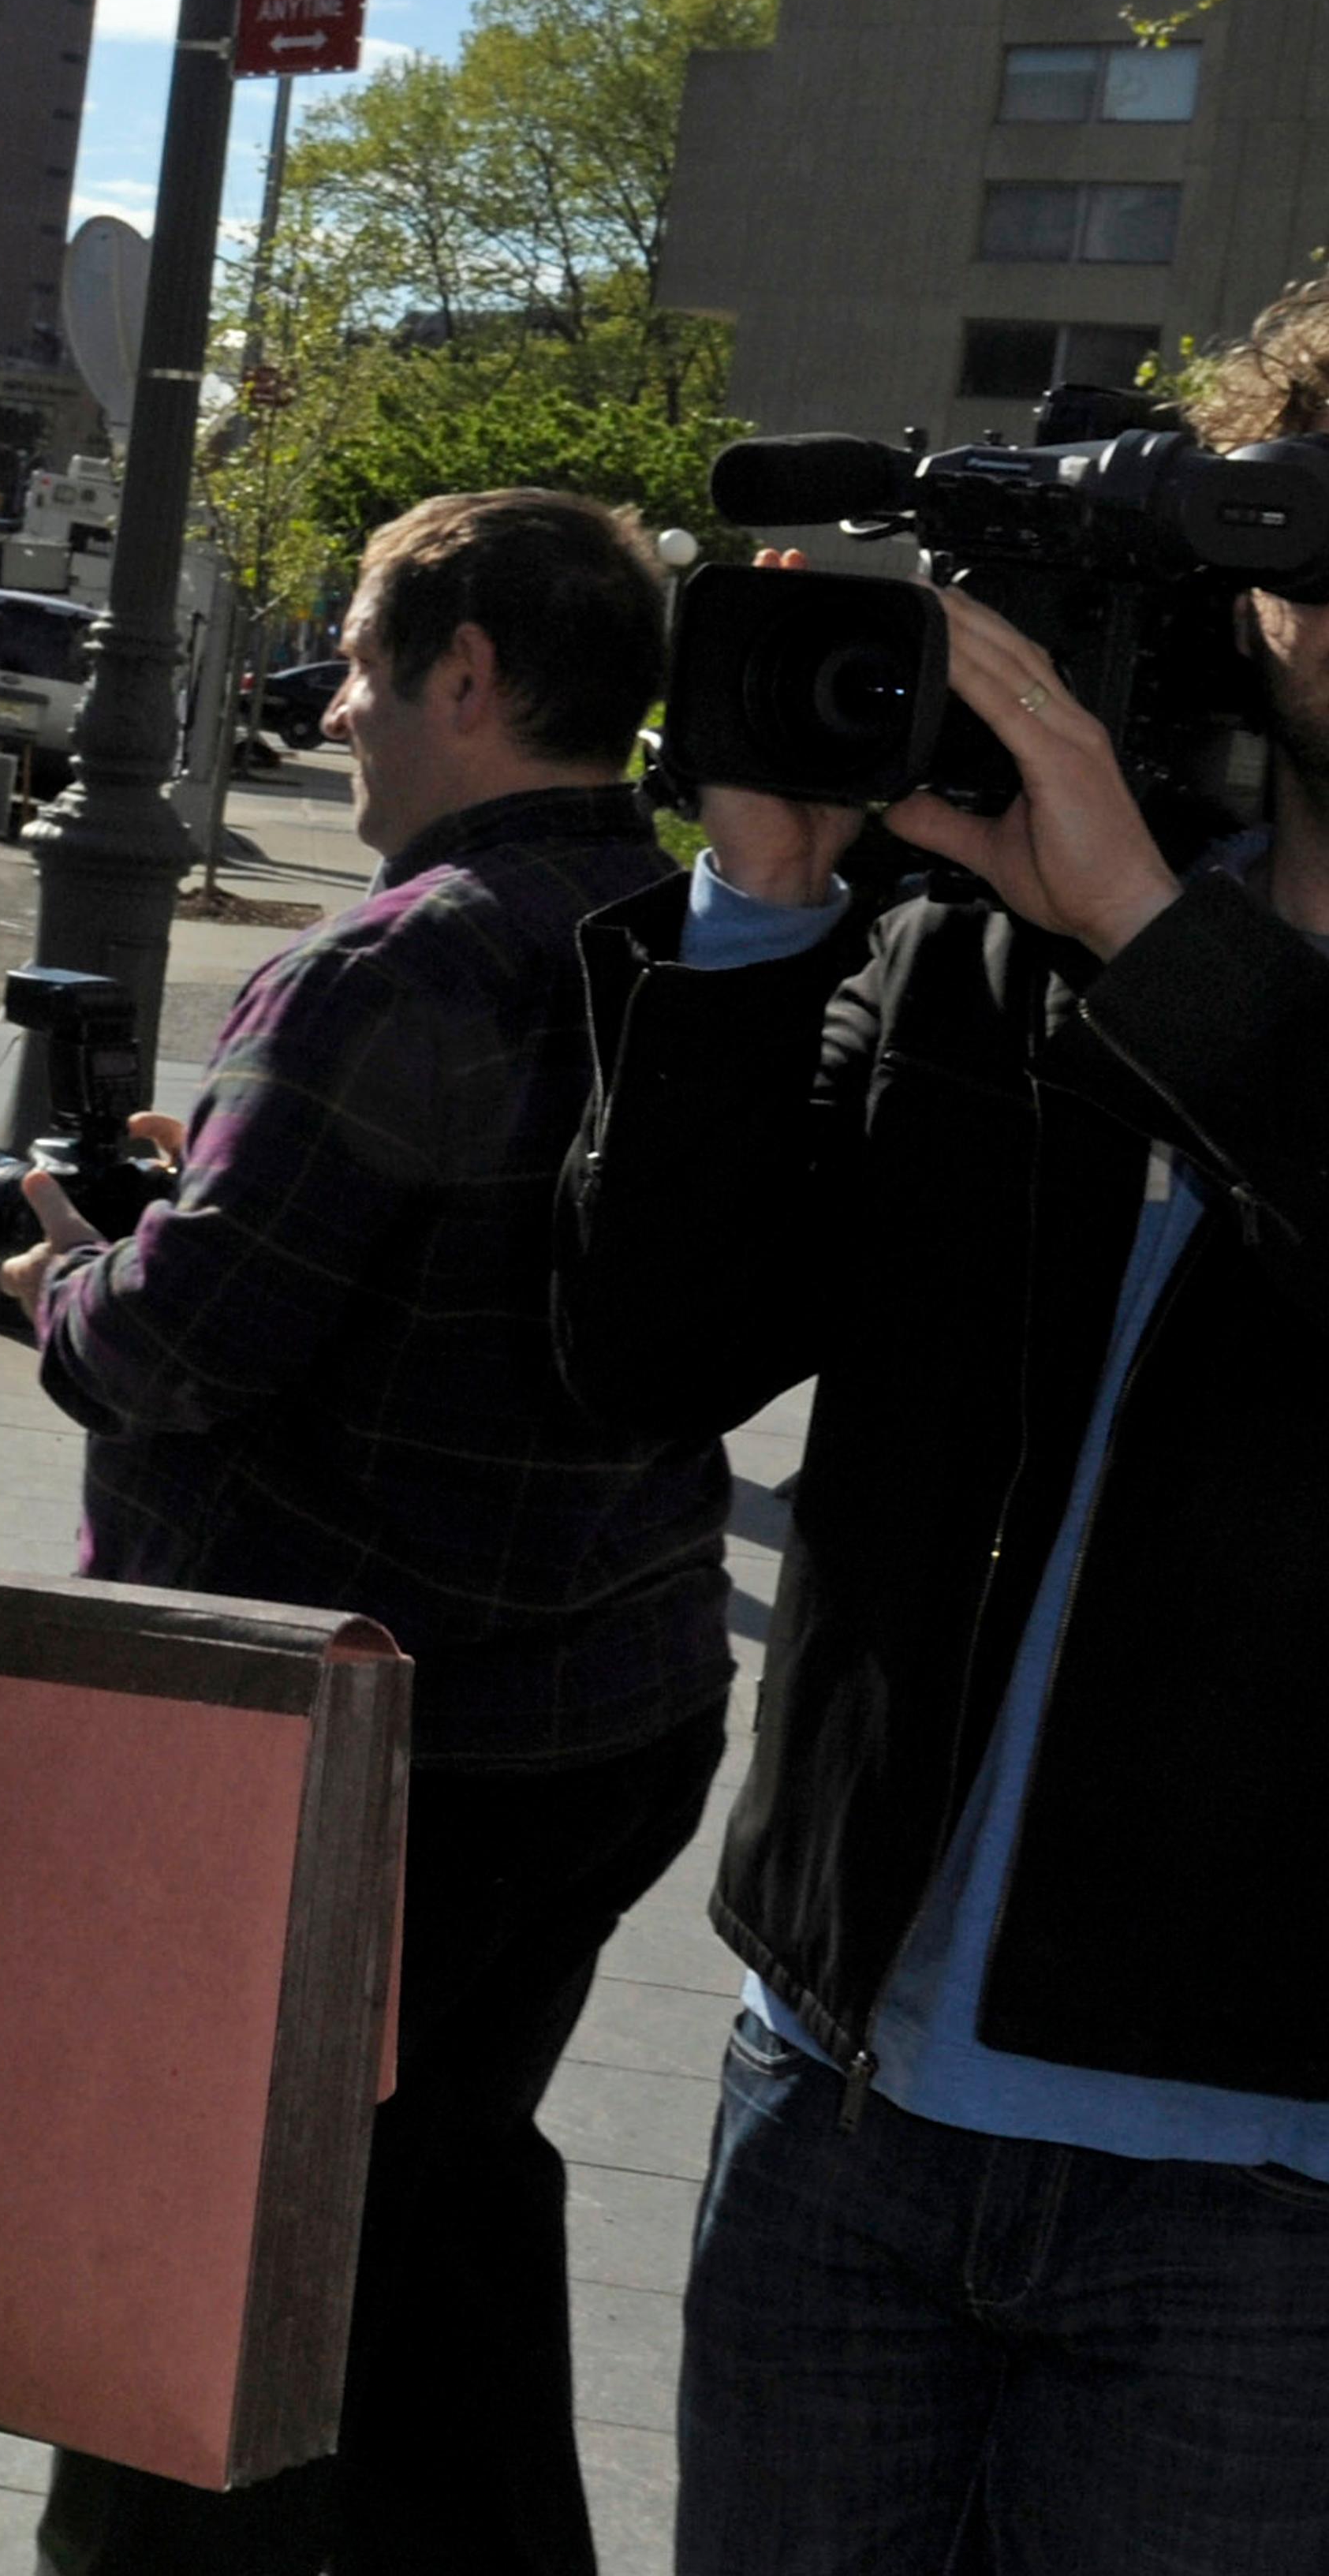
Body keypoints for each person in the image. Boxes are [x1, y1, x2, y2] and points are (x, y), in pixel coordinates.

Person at [558, 285, 1329, 2574]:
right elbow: (649, 1357)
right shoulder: (997, 945)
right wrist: (767, 892)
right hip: (839, 2112)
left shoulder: (1096, 921)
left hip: (1266, 2204)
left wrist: (1140, 934)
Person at [0, 491, 735, 2575]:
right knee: (445, 2189)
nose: (334, 710)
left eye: (358, 661)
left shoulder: (404, 959)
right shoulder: (697, 939)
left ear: (471, 677)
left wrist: (66, 1274)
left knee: (213, 2261)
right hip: (609, 1719)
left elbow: (187, 1340)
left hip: (361, 1764)